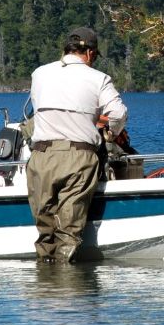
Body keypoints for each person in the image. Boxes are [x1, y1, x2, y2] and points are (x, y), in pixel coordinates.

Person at [26, 26, 127, 263]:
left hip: (41, 157)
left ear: (66, 50)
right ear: (91, 54)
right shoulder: (99, 78)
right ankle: (66, 283)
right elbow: (118, 113)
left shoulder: (39, 74)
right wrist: (111, 133)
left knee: (45, 226)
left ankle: (46, 280)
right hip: (78, 157)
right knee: (69, 228)